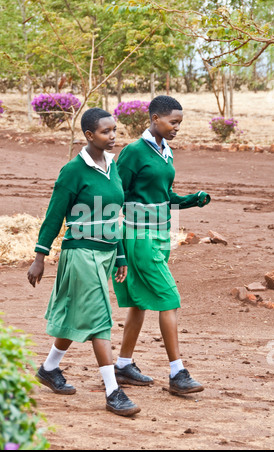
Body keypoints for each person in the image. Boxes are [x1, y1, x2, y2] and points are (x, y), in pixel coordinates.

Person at [27, 107, 140, 417]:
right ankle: (113, 391)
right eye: (106, 132)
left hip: (105, 255)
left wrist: (119, 255)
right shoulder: (73, 171)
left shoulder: (112, 166)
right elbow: (53, 216)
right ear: (89, 135)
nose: (113, 136)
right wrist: (40, 257)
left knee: (81, 314)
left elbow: (113, 215)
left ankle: (49, 368)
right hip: (81, 254)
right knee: (100, 317)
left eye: (115, 130)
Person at [113, 95, 211, 395]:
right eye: (172, 122)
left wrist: (192, 200)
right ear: (155, 119)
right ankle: (177, 373)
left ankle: (123, 365)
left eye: (179, 123)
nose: (176, 128)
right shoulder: (133, 152)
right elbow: (115, 194)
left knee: (140, 304)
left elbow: (164, 195)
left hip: (160, 235)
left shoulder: (165, 151)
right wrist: (118, 247)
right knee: (170, 299)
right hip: (139, 237)